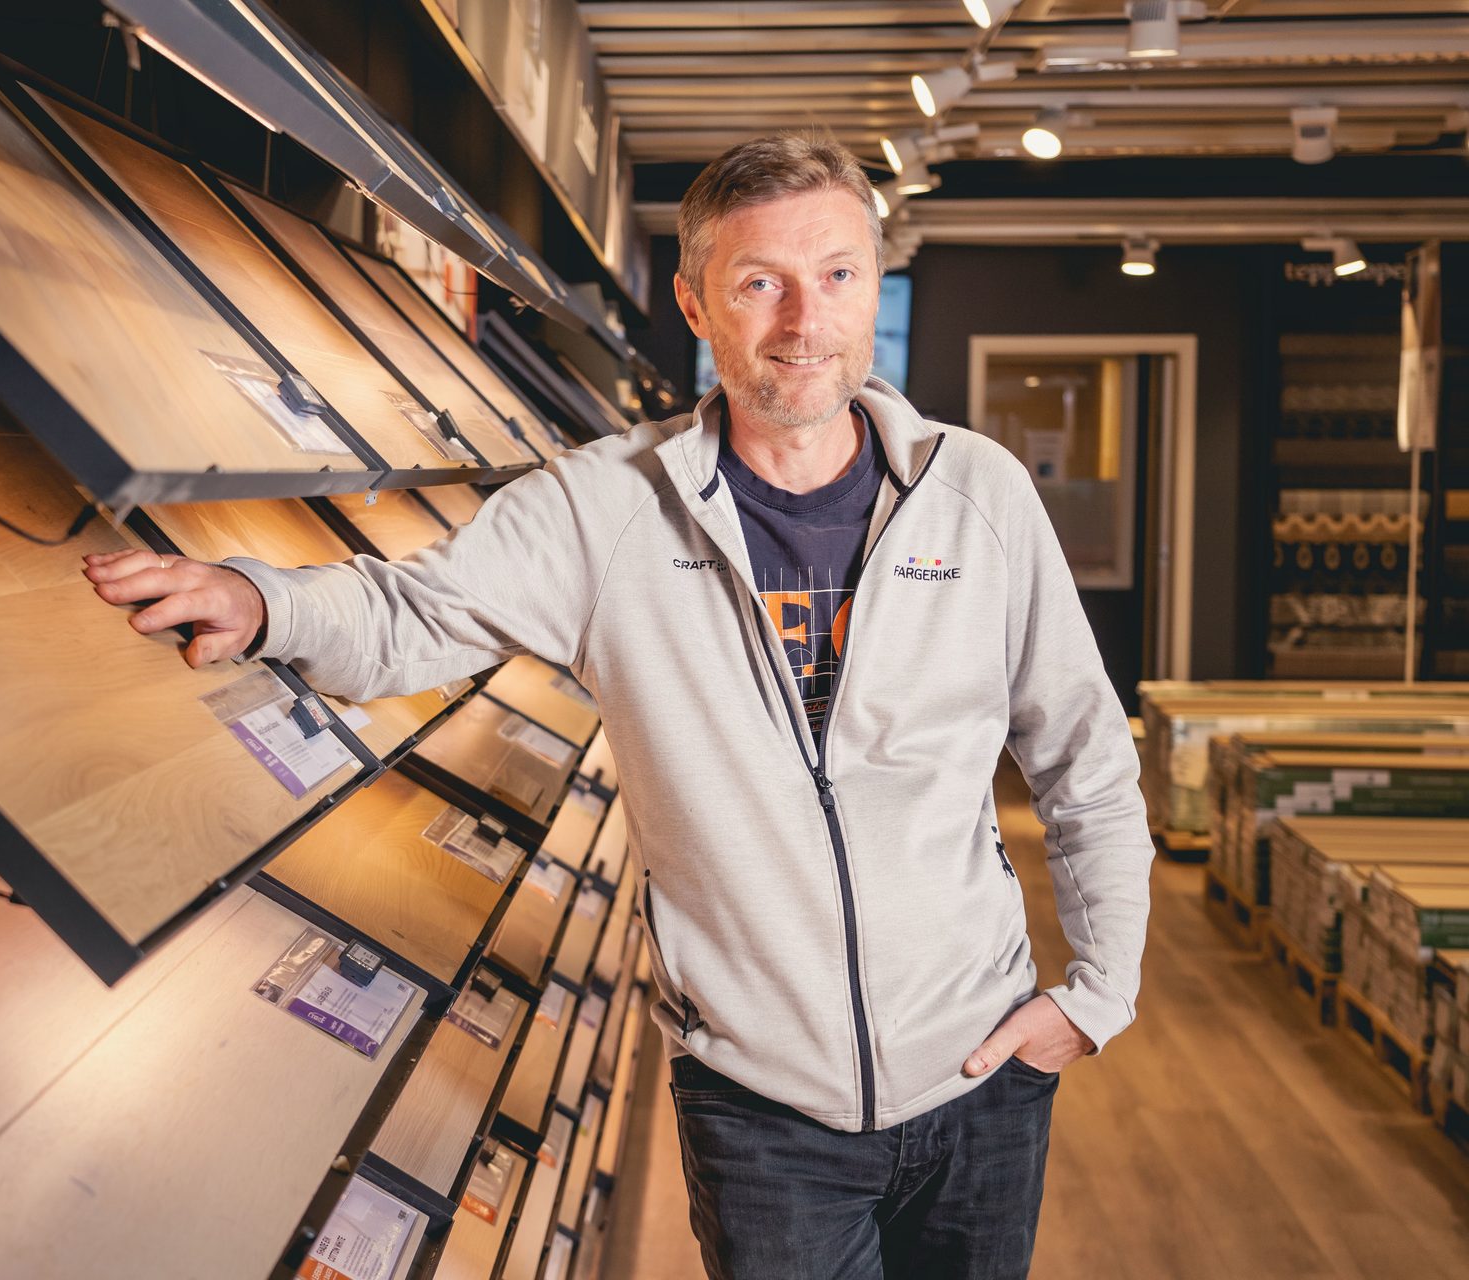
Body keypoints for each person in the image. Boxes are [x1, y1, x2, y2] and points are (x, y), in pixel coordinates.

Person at [83, 133, 1152, 1280]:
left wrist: (1097, 995)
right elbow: (414, 612)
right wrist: (262, 596)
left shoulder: (977, 492)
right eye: (760, 283)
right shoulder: (605, 510)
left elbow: (1084, 754)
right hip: (764, 1110)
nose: (805, 319)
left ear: (873, 281)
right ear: (695, 301)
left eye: (838, 275)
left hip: (984, 1082)